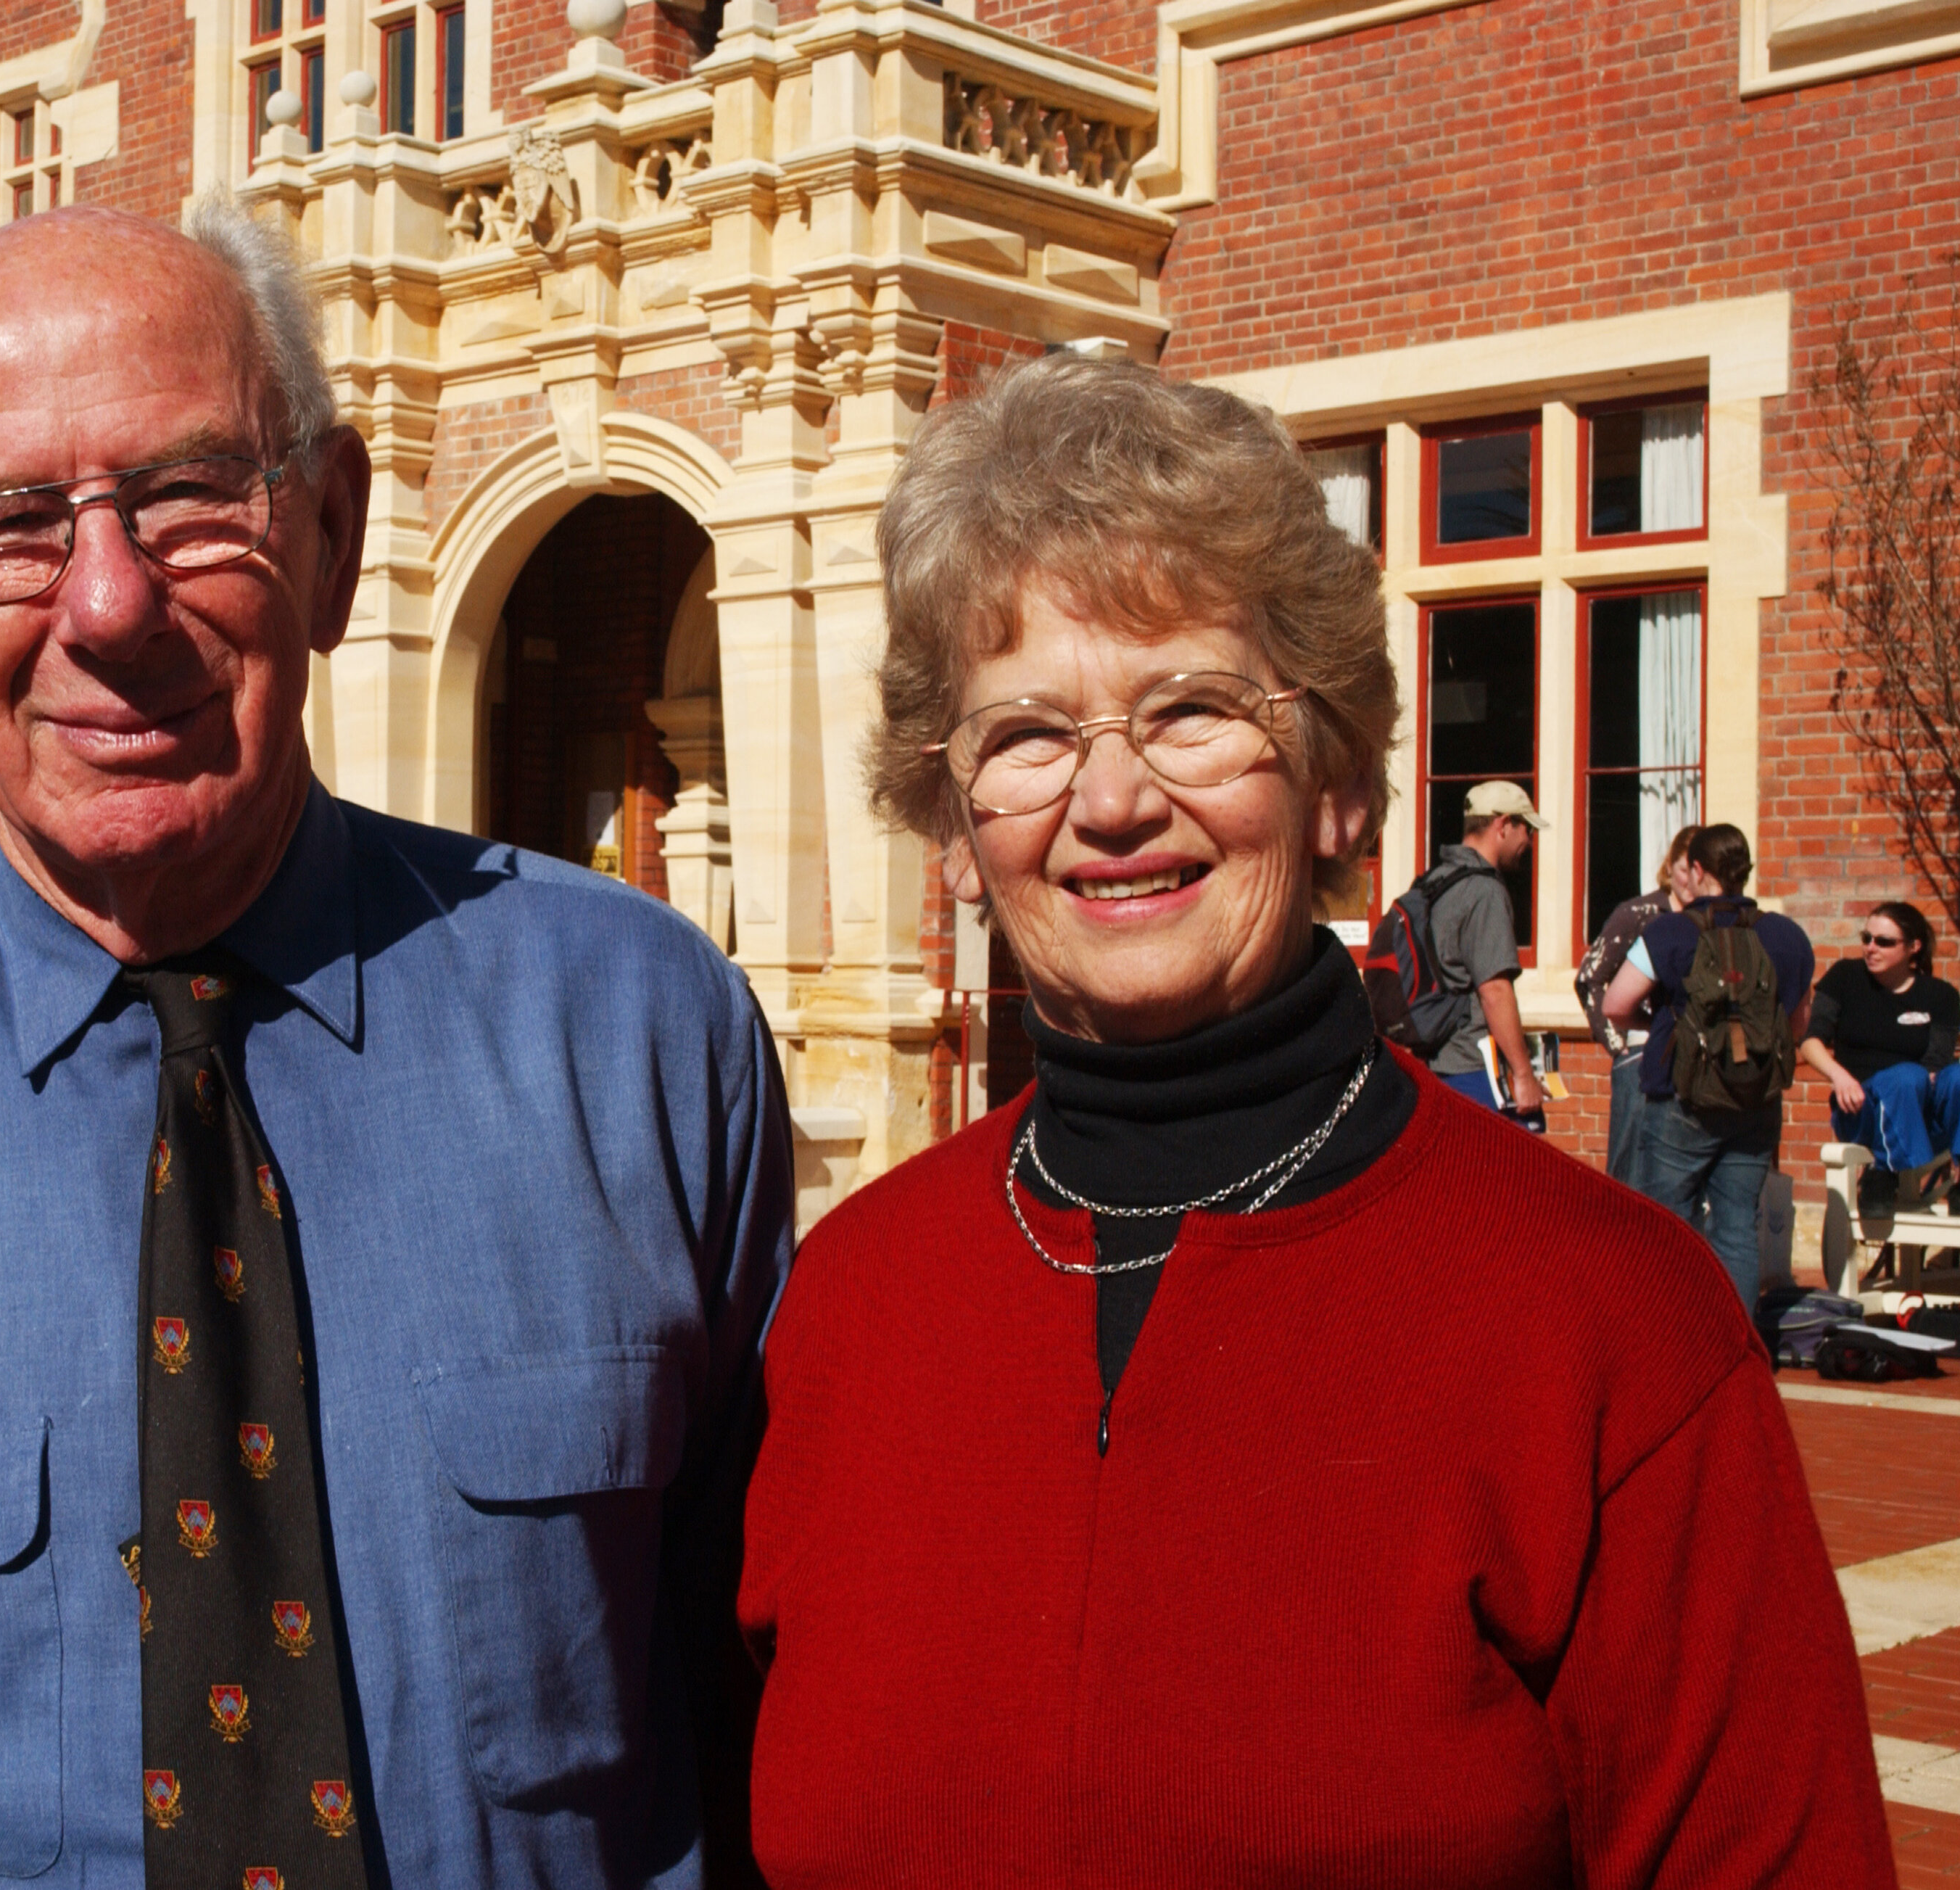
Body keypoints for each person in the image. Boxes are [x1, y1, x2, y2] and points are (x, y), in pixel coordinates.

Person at [0, 202, 792, 1888]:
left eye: (193, 495)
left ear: (337, 533)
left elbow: (752, 1697)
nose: (112, 601)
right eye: (2, 525)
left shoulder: (643, 1043)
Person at [738, 355, 1887, 1883]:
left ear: (1337, 781)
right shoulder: (851, 1299)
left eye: (1192, 709)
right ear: (951, 828)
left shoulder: (1604, 1319)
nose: (1112, 801)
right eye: (1024, 735)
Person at [1602, 824, 1815, 1318]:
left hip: (1683, 1096)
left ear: (1696, 870)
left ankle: (1667, 1338)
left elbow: (1615, 1004)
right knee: (1737, 1225)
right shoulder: (1786, 936)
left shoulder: (1669, 931)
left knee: (1666, 1223)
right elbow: (1798, 1025)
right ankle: (1734, 1345)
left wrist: (1657, 1025)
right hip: (1755, 1100)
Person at [1800, 901, 1960, 1210]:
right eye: (1867, 939)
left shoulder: (1940, 996)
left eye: (1884, 942)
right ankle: (1881, 1173)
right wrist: (1839, 1076)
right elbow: (1810, 1041)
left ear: (1914, 947)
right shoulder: (1845, 978)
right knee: (1904, 1076)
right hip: (1862, 1108)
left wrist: (1920, 1097)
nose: (1871, 948)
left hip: (1917, 1109)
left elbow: (1936, 1063)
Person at [1576, 825, 1703, 1183]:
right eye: (1682, 871)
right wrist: (1621, 1047)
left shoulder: (1708, 920)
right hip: (1641, 1057)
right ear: (1668, 867)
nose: (1689, 884)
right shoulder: (1641, 914)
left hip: (1690, 1062)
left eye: (1697, 875)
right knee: (1629, 1166)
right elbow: (1590, 978)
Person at [1423, 781, 1547, 1125]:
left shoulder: (1434, 883)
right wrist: (1523, 1074)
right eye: (1527, 830)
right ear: (1503, 825)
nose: (1530, 843)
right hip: (1478, 1070)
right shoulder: (1485, 891)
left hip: (1434, 1065)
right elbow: (1494, 990)